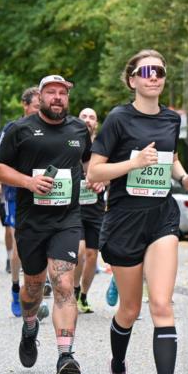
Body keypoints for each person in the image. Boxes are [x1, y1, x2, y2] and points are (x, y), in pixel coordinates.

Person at [87, 49, 188, 374]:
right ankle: (119, 368)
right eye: (146, 71)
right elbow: (94, 174)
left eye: (160, 71)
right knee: (130, 309)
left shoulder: (171, 119)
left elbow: (169, 159)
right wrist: (133, 164)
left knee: (162, 305)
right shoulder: (119, 119)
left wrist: (183, 178)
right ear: (132, 79)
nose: (154, 76)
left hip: (161, 219)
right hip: (124, 221)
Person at [0, 75, 91, 374]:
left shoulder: (79, 130)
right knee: (34, 286)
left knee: (63, 283)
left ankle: (65, 355)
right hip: (31, 220)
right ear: (41, 96)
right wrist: (28, 182)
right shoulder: (19, 130)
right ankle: (30, 326)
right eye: (51, 93)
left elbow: (87, 164)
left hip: (67, 219)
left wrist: (96, 177)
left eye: (63, 93)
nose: (58, 97)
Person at [0, 87, 40, 317]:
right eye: (36, 106)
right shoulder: (13, 128)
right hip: (17, 194)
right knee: (20, 246)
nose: (41, 111)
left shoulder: (55, 126)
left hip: (47, 194)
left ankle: (42, 287)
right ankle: (14, 288)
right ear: (25, 104)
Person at [75, 107, 105, 314]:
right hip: (74, 208)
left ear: (96, 123)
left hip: (95, 208)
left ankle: (84, 295)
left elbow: (112, 174)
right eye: (84, 116)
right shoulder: (71, 144)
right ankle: (74, 289)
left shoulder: (102, 147)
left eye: (92, 117)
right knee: (79, 252)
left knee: (92, 254)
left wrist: (103, 180)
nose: (87, 120)